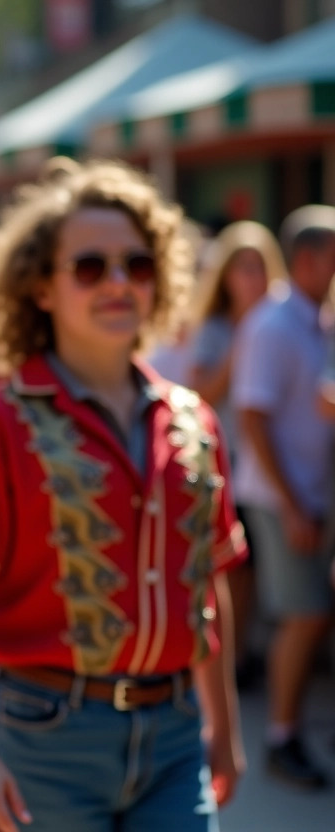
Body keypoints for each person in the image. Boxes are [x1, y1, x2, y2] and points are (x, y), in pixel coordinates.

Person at [0, 158, 245, 832]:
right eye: (91, 267)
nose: (119, 282)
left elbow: (205, 585)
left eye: (137, 264)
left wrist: (226, 724)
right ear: (42, 288)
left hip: (176, 736)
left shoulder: (192, 421)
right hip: (47, 737)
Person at [233, 205, 335, 791]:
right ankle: (280, 736)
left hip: (310, 493)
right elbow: (253, 416)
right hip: (283, 498)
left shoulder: (317, 321)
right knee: (303, 615)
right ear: (305, 260)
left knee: (312, 614)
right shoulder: (273, 325)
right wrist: (293, 504)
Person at [188, 221, 285, 688]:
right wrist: (244, 337)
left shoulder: (287, 321)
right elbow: (200, 391)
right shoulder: (215, 328)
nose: (251, 277)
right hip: (226, 462)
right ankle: (233, 655)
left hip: (272, 464)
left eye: (259, 267)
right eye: (242, 267)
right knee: (234, 566)